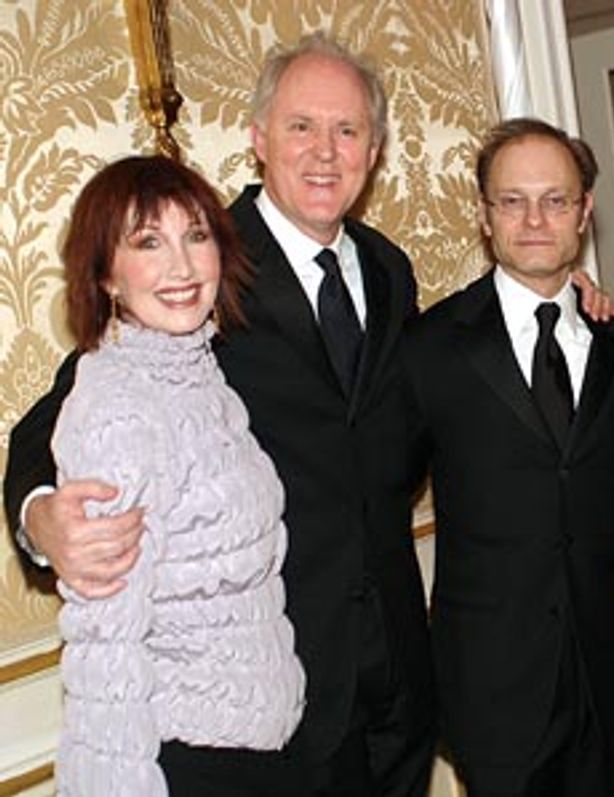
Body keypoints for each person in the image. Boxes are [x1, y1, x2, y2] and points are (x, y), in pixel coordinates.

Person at [6, 33, 435, 795]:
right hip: (278, 698)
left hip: (397, 675)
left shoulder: (388, 268)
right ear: (258, 137)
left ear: (374, 150)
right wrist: (43, 519)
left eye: (348, 131)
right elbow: (66, 411)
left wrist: (570, 307)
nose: (324, 152)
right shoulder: (199, 264)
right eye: (301, 126)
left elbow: (434, 392)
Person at [47, 155, 305, 796]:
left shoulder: (199, 372)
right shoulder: (117, 404)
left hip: (262, 743)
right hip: (185, 759)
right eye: (148, 242)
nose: (182, 267)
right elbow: (105, 644)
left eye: (195, 236)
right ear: (106, 273)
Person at [399, 118, 614, 797]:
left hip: (608, 673)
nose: (535, 218)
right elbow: (376, 495)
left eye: (555, 199)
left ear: (585, 212)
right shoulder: (430, 347)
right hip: (491, 684)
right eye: (513, 200)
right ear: (484, 215)